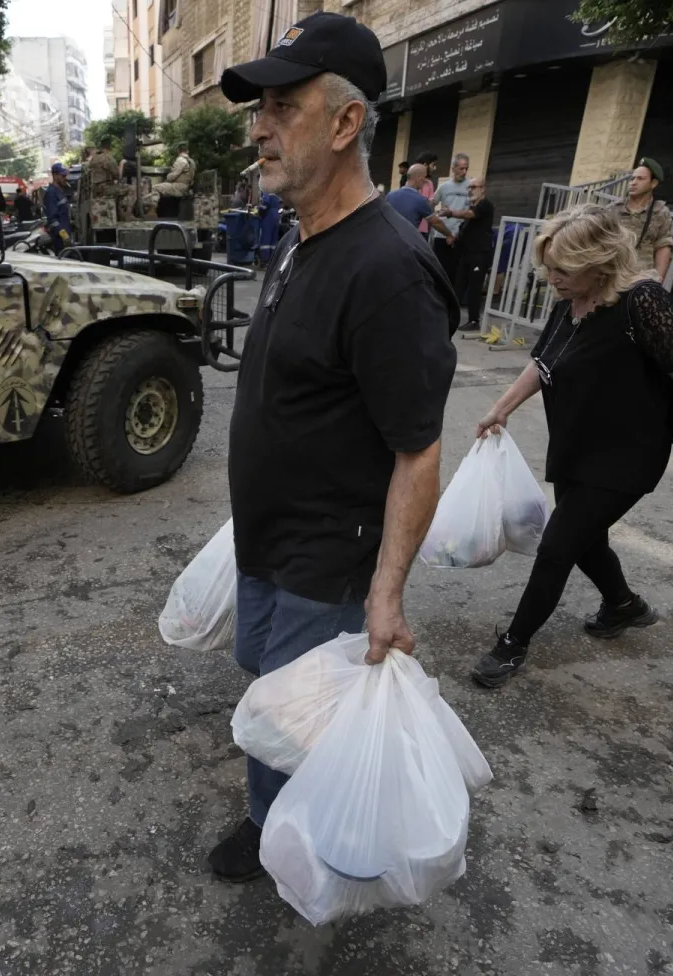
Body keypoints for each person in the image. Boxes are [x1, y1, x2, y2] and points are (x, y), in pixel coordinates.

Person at [208, 10, 459, 882]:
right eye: (258, 108)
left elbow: (419, 451)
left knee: (291, 710)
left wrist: (386, 593)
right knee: (263, 679)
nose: (258, 127)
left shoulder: (388, 271)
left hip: (326, 557)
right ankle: (278, 813)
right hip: (267, 538)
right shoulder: (299, 235)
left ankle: (291, 841)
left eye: (282, 106)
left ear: (347, 123)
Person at [471, 203, 673, 689]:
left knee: (558, 545)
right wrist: (502, 407)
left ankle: (513, 644)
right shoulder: (569, 303)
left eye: (562, 269)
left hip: (627, 453)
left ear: (601, 261)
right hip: (576, 444)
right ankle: (624, 606)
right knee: (587, 539)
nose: (552, 278)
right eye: (547, 267)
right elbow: (543, 364)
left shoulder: (642, 300)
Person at [614, 157, 673, 282]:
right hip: (612, 275)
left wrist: (658, 279)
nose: (633, 182)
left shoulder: (660, 212)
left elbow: (663, 246)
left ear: (653, 183)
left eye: (640, 179)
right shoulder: (613, 210)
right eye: (632, 178)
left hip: (641, 278)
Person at [451, 177, 496, 332]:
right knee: (458, 285)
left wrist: (451, 213)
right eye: (469, 187)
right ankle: (451, 315)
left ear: (483, 188)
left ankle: (474, 320)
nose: (470, 190)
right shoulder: (472, 205)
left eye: (474, 187)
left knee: (474, 288)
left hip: (479, 254)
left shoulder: (484, 205)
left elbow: (470, 215)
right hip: (467, 253)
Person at [432, 153, 471, 283]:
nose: (464, 172)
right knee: (439, 270)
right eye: (461, 168)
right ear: (453, 168)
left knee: (456, 273)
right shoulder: (444, 187)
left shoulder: (471, 186)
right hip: (442, 234)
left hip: (461, 236)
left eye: (466, 168)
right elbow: (431, 203)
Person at [387, 163, 453, 240]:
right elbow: (436, 222)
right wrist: (449, 234)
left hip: (388, 240)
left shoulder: (390, 196)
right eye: (424, 177)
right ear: (418, 177)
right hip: (406, 243)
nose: (425, 180)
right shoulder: (420, 200)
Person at [147, 142, 196, 215]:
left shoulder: (180, 160)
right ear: (187, 151)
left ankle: (152, 212)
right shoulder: (192, 162)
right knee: (162, 187)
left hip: (179, 187)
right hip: (186, 187)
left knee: (155, 188)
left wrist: (168, 176)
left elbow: (172, 177)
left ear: (178, 151)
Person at [43, 162, 72, 255]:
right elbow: (52, 218)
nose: (65, 178)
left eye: (65, 175)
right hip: (60, 239)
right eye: (63, 176)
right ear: (55, 175)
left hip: (66, 236)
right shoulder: (51, 193)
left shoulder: (60, 191)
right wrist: (63, 234)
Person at [413, 150, 439, 236]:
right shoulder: (411, 181)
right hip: (411, 225)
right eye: (433, 165)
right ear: (425, 165)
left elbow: (430, 205)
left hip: (424, 228)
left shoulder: (429, 183)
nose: (435, 168)